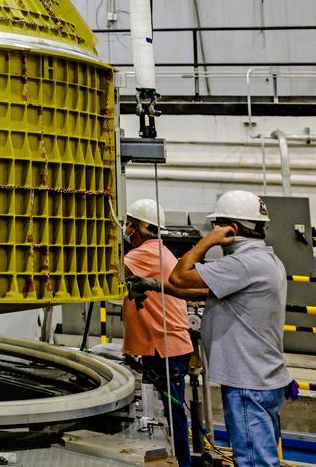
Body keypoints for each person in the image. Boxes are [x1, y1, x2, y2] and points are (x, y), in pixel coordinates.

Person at [167, 190, 292, 467]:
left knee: (253, 463)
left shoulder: (242, 263)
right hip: (263, 379)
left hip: (248, 384)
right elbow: (192, 290)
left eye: (216, 226)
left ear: (230, 229)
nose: (213, 232)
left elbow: (178, 276)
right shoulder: (266, 260)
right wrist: (154, 286)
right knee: (263, 459)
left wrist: (205, 243)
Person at [122, 198, 204, 467]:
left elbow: (110, 270)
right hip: (166, 345)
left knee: (174, 412)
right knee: (173, 411)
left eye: (129, 225)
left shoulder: (147, 252)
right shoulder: (158, 250)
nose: (127, 229)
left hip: (165, 346)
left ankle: (182, 462)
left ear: (139, 227)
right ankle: (181, 460)